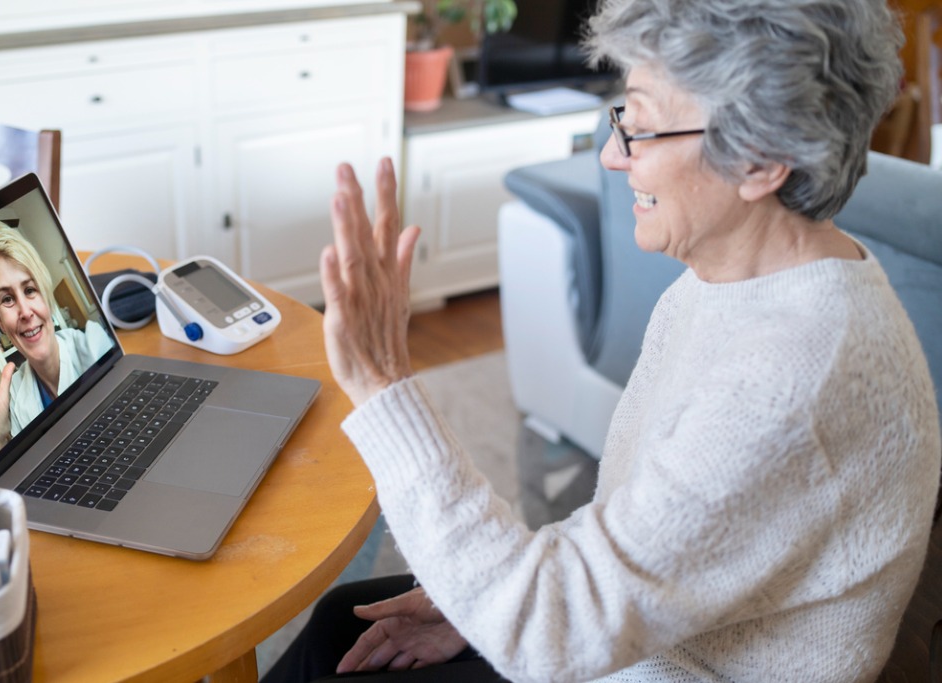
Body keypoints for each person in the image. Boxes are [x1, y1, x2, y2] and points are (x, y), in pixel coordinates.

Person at [263, 0, 941, 681]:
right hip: (641, 638)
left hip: (656, 667)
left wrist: (384, 386)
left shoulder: (792, 382)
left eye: (641, 127)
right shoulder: (735, 276)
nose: (614, 155)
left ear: (761, 161)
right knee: (340, 628)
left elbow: (549, 639)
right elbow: (644, 534)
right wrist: (478, 602)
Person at [0, 220, 112, 464]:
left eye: (29, 290)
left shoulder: (95, 346)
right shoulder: (15, 395)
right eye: (7, 298)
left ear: (45, 295)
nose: (25, 312)